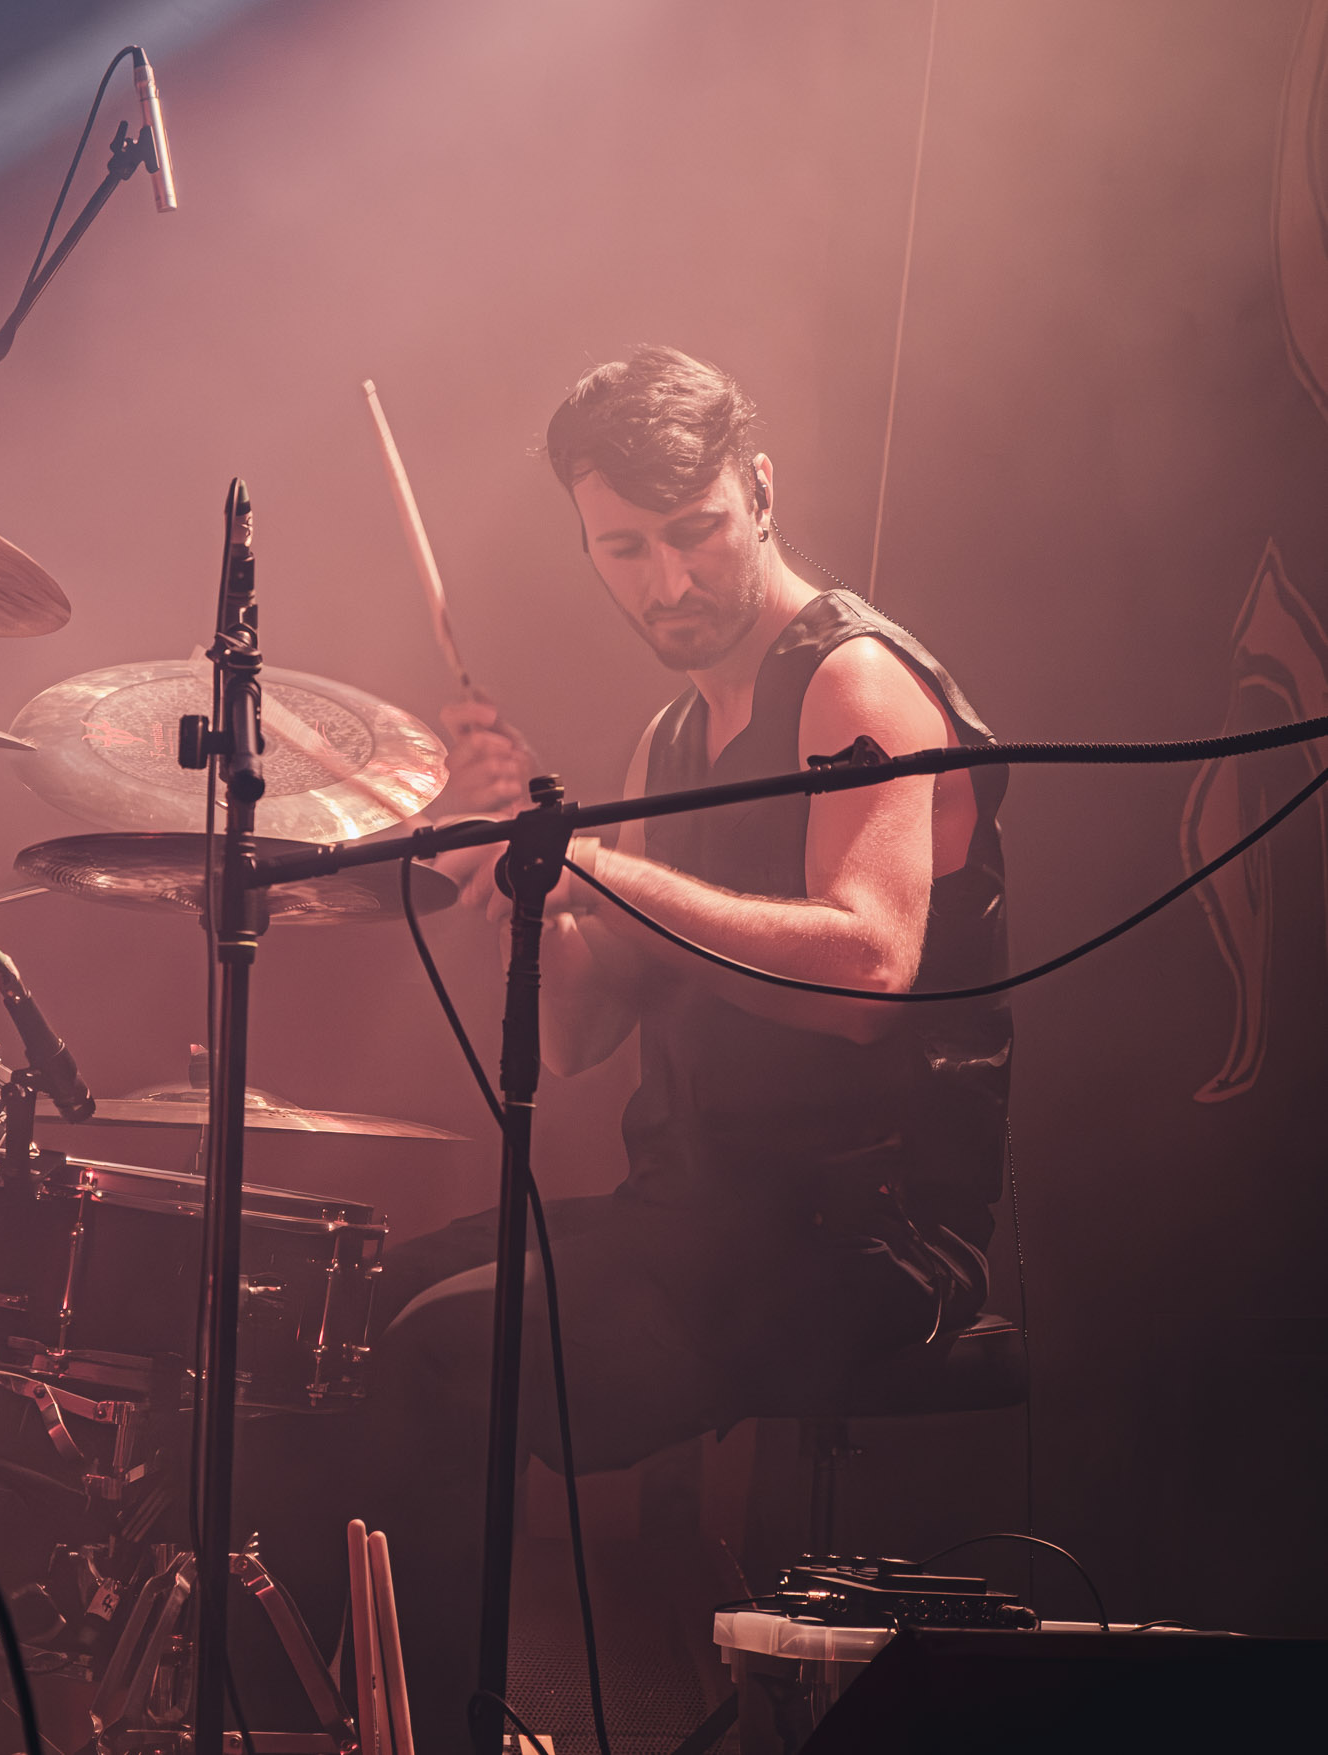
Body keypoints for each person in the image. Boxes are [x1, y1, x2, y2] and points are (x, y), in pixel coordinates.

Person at [345, 344, 1012, 1750]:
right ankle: (361, 1719)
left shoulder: (855, 685)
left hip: (860, 1239)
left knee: (438, 1358)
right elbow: (581, 1034)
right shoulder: (672, 738)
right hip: (696, 1214)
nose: (668, 580)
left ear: (759, 490)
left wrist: (593, 863)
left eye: (696, 530)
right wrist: (524, 896)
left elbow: (871, 969)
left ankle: (447, 1741)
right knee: (351, 1308)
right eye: (626, 548)